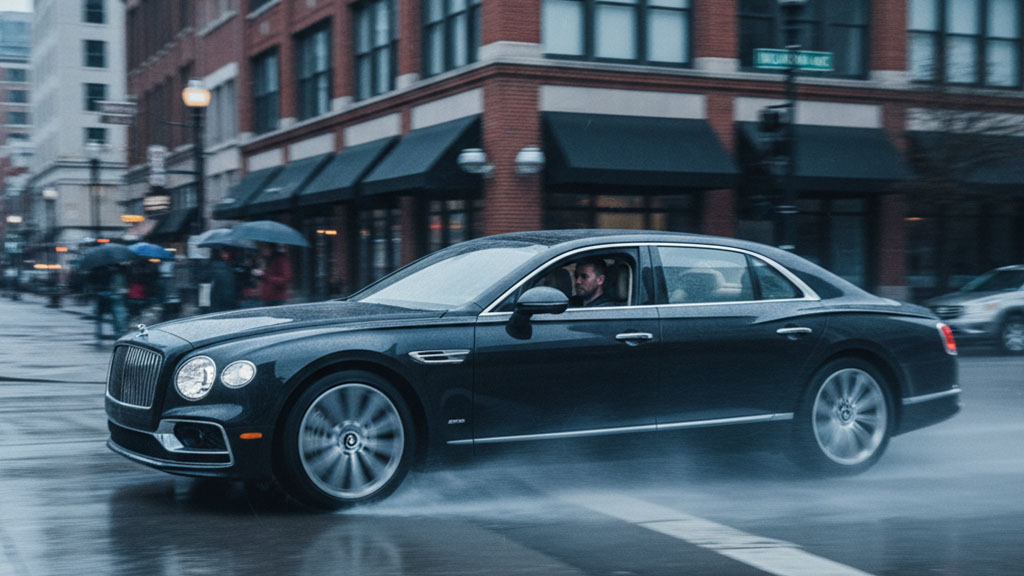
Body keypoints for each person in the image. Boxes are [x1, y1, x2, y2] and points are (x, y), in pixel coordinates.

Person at [210, 248, 239, 312]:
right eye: (223, 253)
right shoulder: (227, 268)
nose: (225, 255)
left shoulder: (215, 267)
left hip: (220, 299)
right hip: (226, 299)